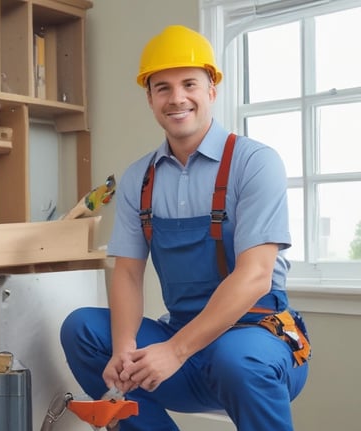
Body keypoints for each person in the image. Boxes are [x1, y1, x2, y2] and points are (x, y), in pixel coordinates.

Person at [60, 25, 310, 431]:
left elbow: (256, 276)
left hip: (257, 340)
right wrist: (124, 350)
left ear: (211, 90)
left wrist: (174, 352)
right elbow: (126, 272)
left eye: (189, 84)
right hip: (182, 345)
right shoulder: (140, 178)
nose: (177, 98)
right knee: (83, 329)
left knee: (236, 358)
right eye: (162, 88)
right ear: (150, 98)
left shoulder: (255, 163)